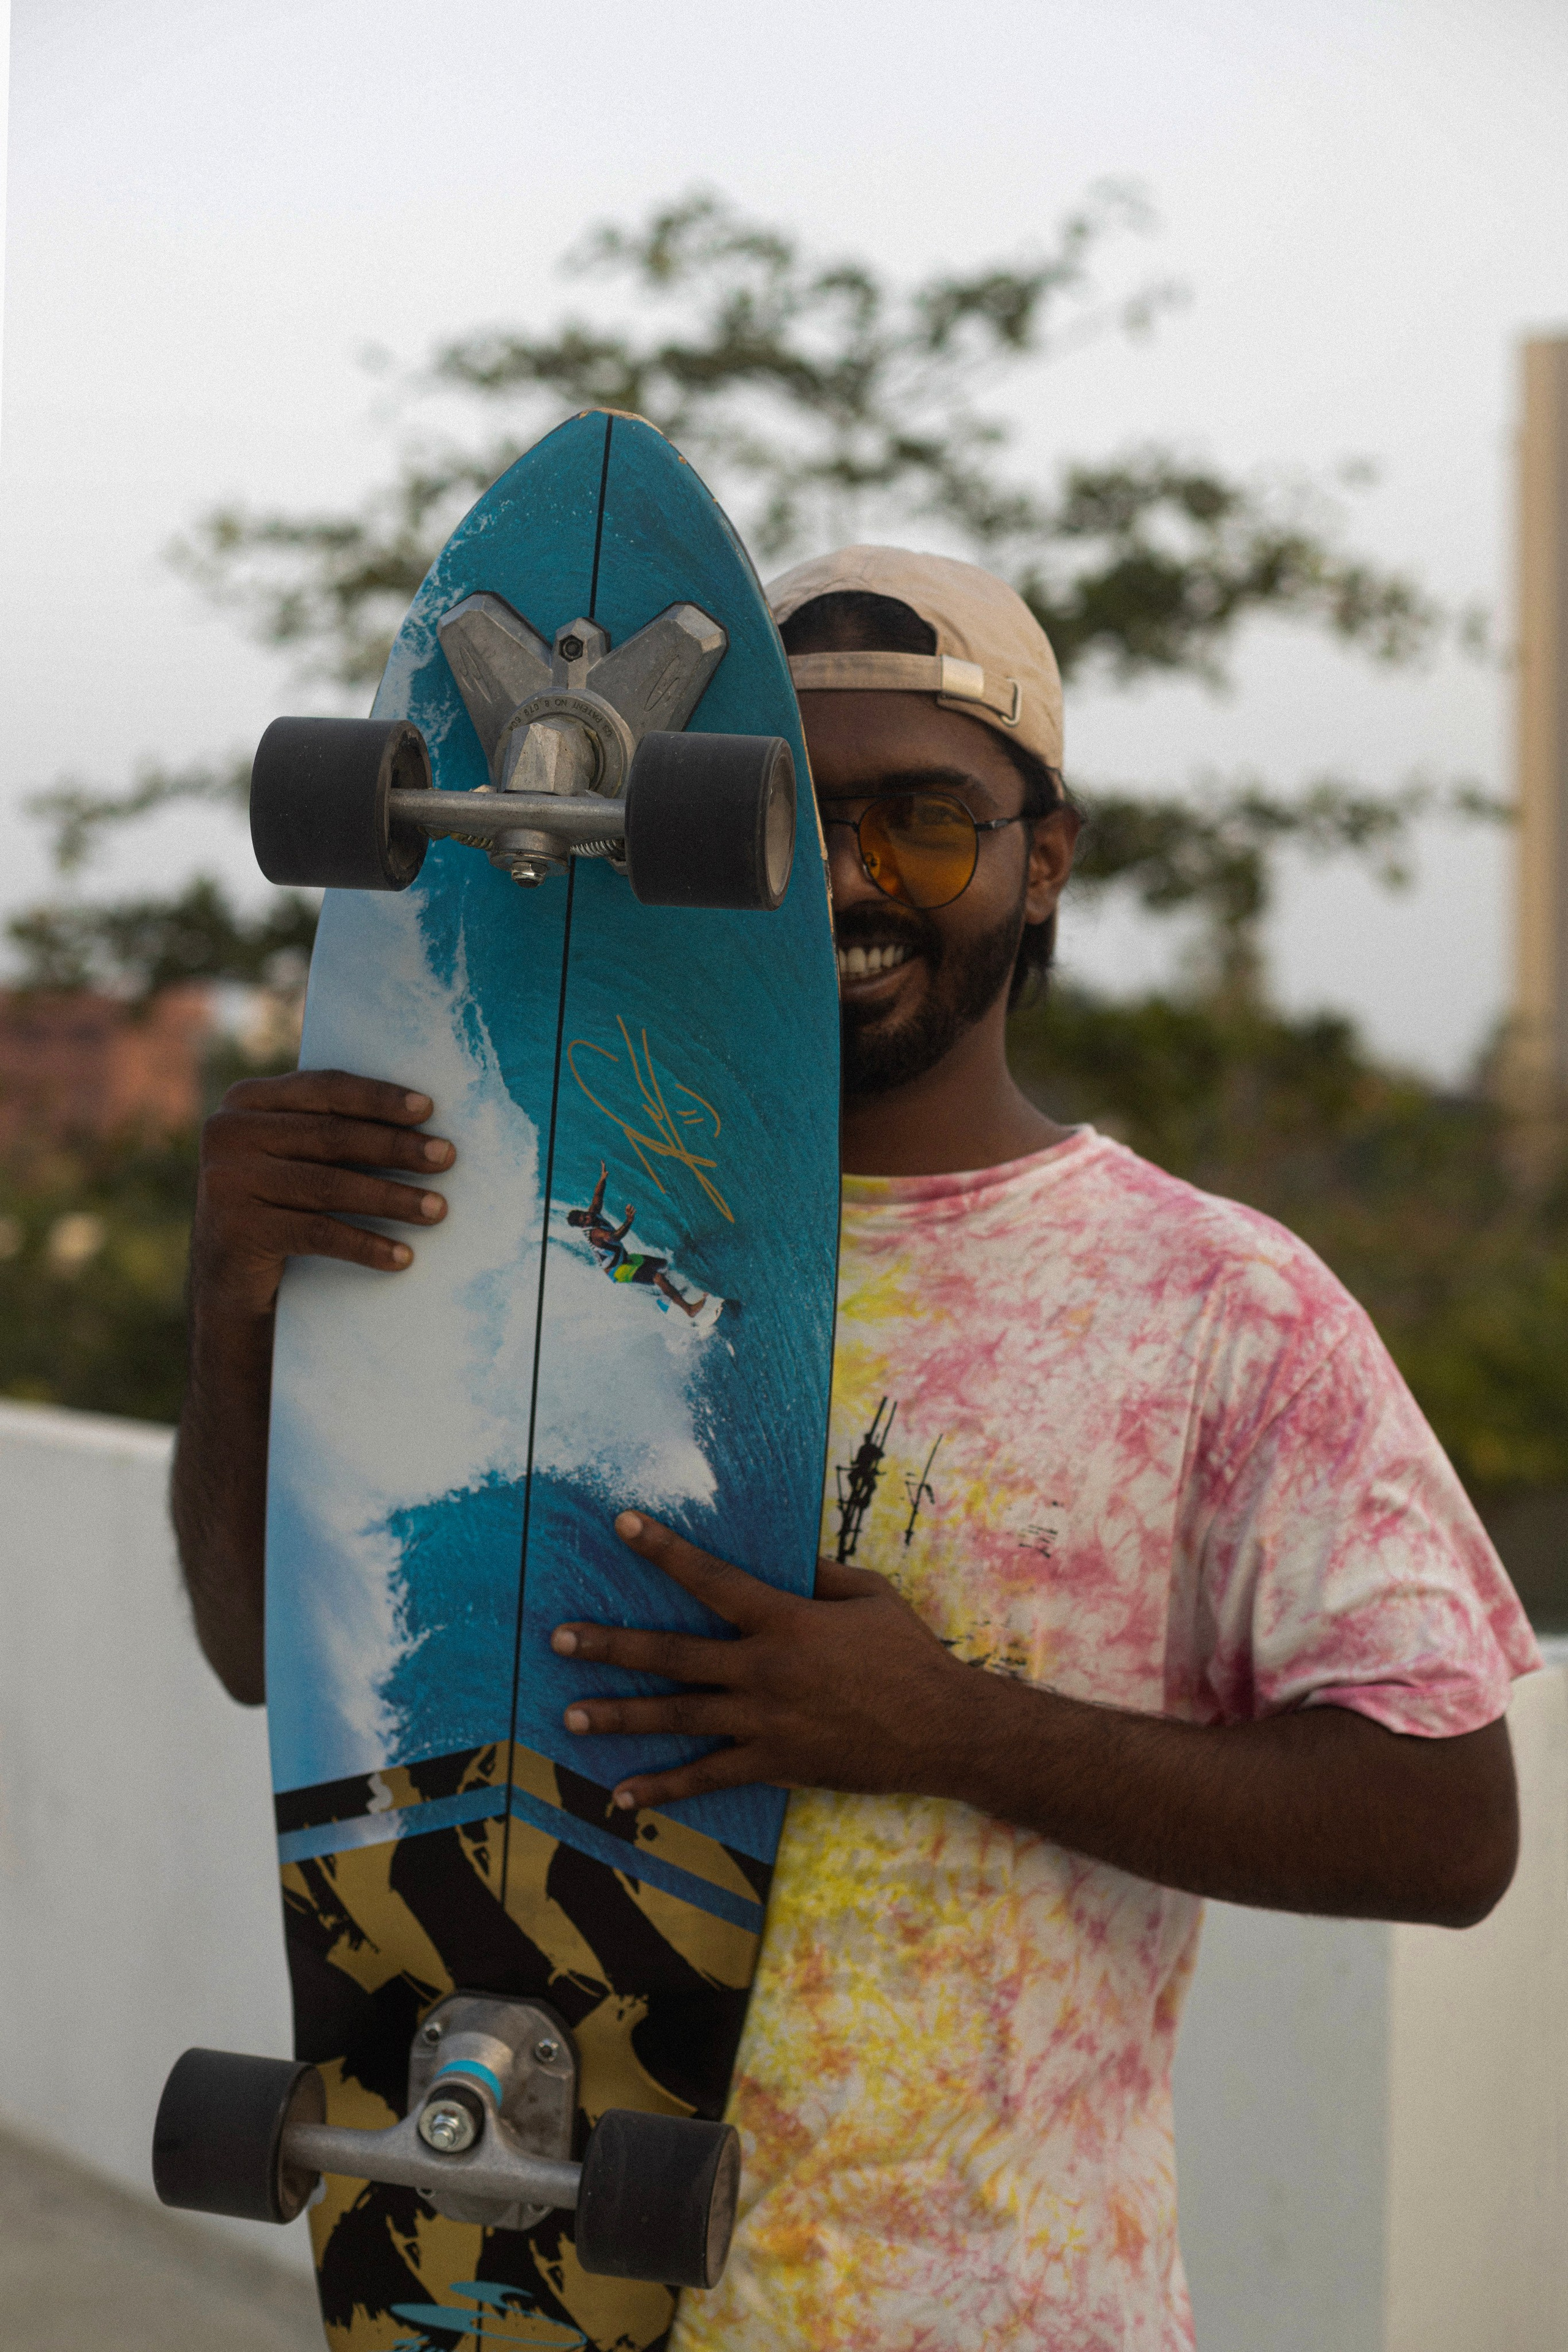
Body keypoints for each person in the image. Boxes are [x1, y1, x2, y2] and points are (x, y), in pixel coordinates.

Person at [173, 543, 1539, 2352]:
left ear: (1042, 855)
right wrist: (237, 1306)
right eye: (794, 822)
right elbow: (273, 1646)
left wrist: (949, 1726)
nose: (852, 884)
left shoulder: (1218, 1303)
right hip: (531, 2299)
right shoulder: (518, 1229)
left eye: (927, 822)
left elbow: (1445, 1828)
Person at [567, 1159, 710, 1319]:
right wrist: (628, 1221)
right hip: (617, 1271)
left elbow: (597, 1196)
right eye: (584, 1220)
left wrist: (602, 1179)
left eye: (584, 1214)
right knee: (658, 1277)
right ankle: (688, 1310)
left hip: (626, 1259)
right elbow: (614, 1237)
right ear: (582, 1226)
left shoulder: (593, 1215)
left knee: (663, 1265)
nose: (587, 1217)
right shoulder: (595, 1234)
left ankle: (668, 1294)